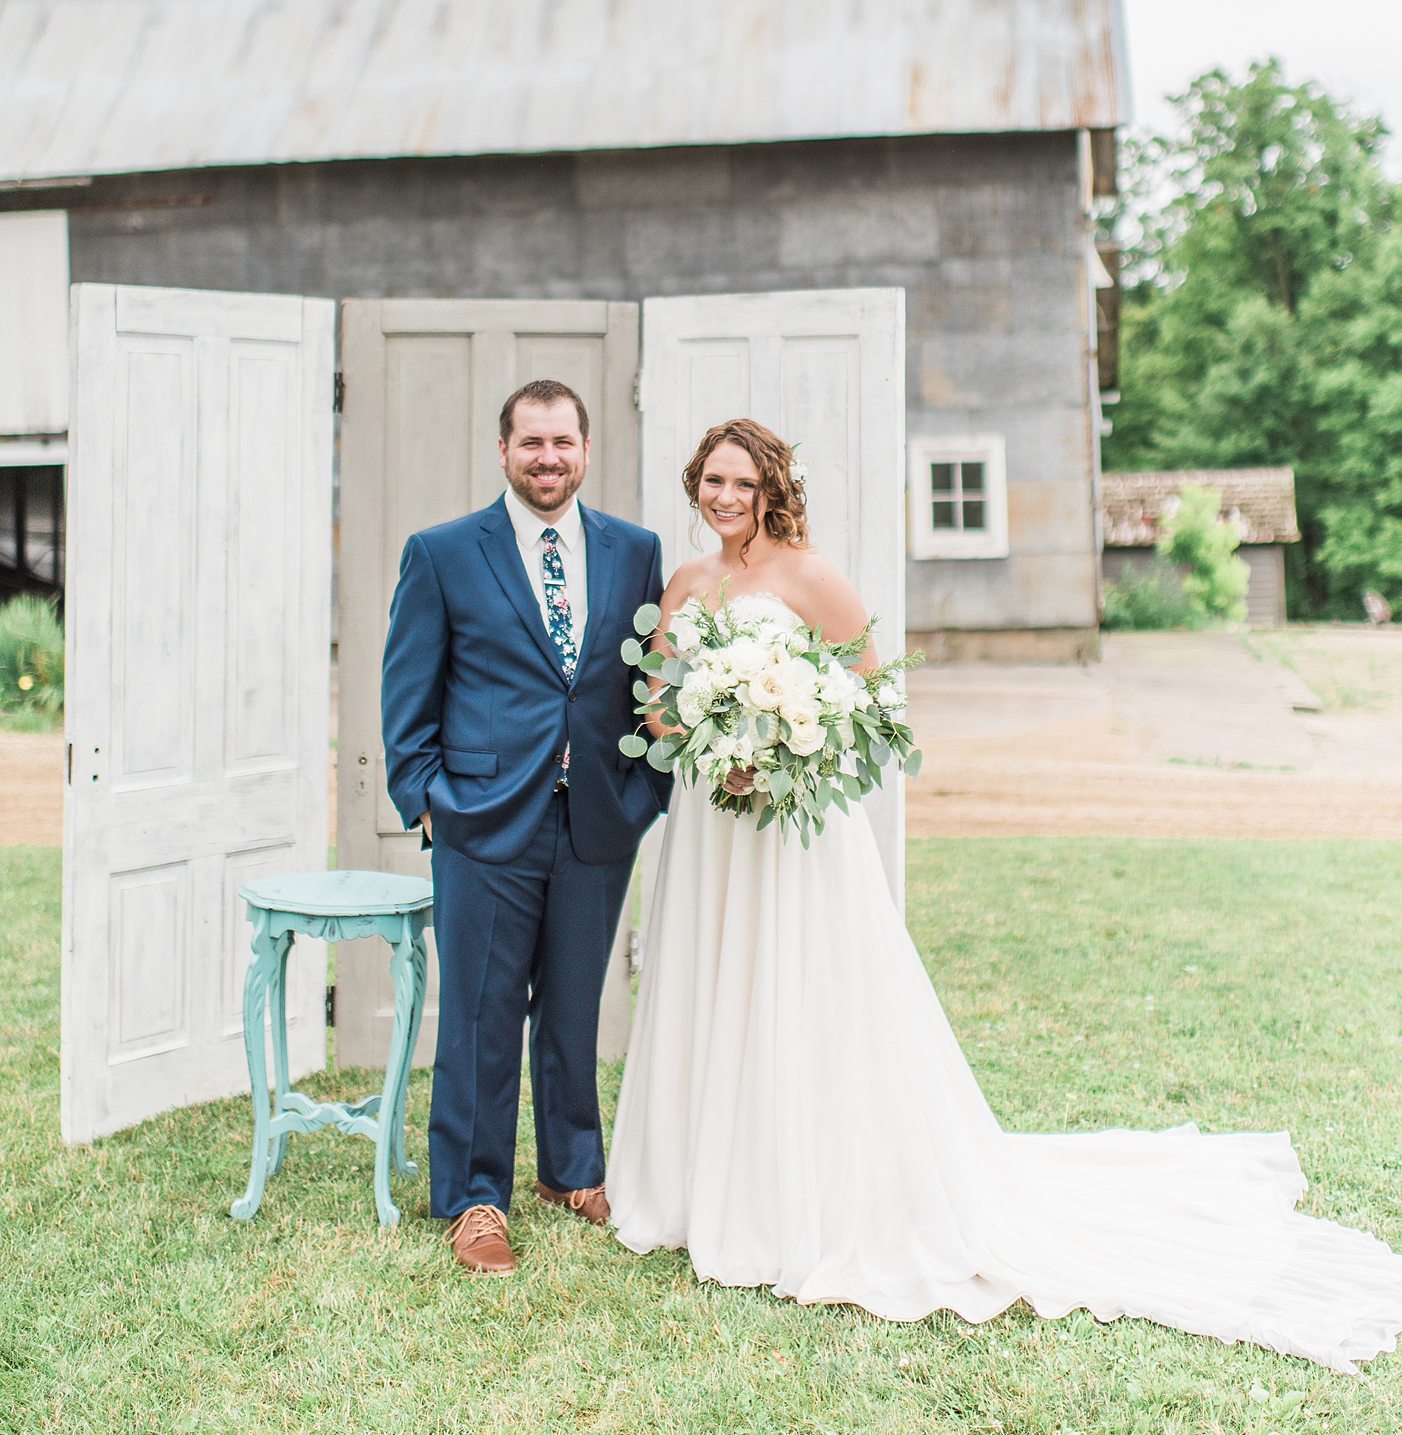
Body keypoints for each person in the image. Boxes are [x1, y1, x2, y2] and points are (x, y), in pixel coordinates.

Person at [606, 417, 1402, 1372]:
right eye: (711, 482)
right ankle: (699, 1185)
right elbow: (654, 700)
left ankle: (794, 1189)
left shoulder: (809, 576)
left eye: (741, 483)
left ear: (772, 488)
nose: (724, 498)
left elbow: (866, 693)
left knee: (794, 990)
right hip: (708, 826)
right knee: (708, 985)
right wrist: (701, 731)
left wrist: (779, 744)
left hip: (785, 832)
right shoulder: (686, 585)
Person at [381, 377, 668, 1274]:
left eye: (564, 443)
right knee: (480, 1011)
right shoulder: (442, 553)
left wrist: (644, 790)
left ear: (587, 450)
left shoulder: (635, 550)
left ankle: (573, 1171)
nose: (549, 459)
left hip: (596, 819)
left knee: (575, 1006)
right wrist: (427, 798)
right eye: (531, 443)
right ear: (502, 451)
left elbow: (642, 685)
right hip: (482, 821)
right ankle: (474, 1197)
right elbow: (408, 690)